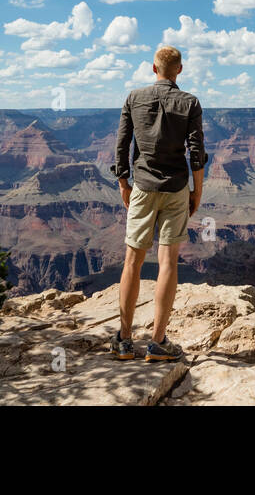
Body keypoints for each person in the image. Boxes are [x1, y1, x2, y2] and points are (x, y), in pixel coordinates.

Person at [110, 45, 206, 361]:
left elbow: (122, 144)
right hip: (177, 186)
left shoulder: (133, 98)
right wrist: (197, 191)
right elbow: (196, 152)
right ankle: (158, 342)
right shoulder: (189, 102)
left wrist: (124, 182)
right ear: (179, 69)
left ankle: (124, 341)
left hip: (142, 185)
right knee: (167, 262)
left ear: (154, 69)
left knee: (132, 261)